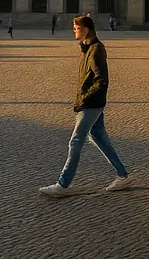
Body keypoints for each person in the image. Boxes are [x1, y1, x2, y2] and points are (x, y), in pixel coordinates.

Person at [39, 15, 130, 197]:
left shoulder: (96, 50)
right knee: (99, 137)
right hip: (90, 102)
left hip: (91, 103)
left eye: (77, 27)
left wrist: (85, 99)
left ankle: (63, 185)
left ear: (86, 29)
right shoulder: (88, 48)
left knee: (76, 141)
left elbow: (101, 81)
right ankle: (123, 175)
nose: (74, 30)